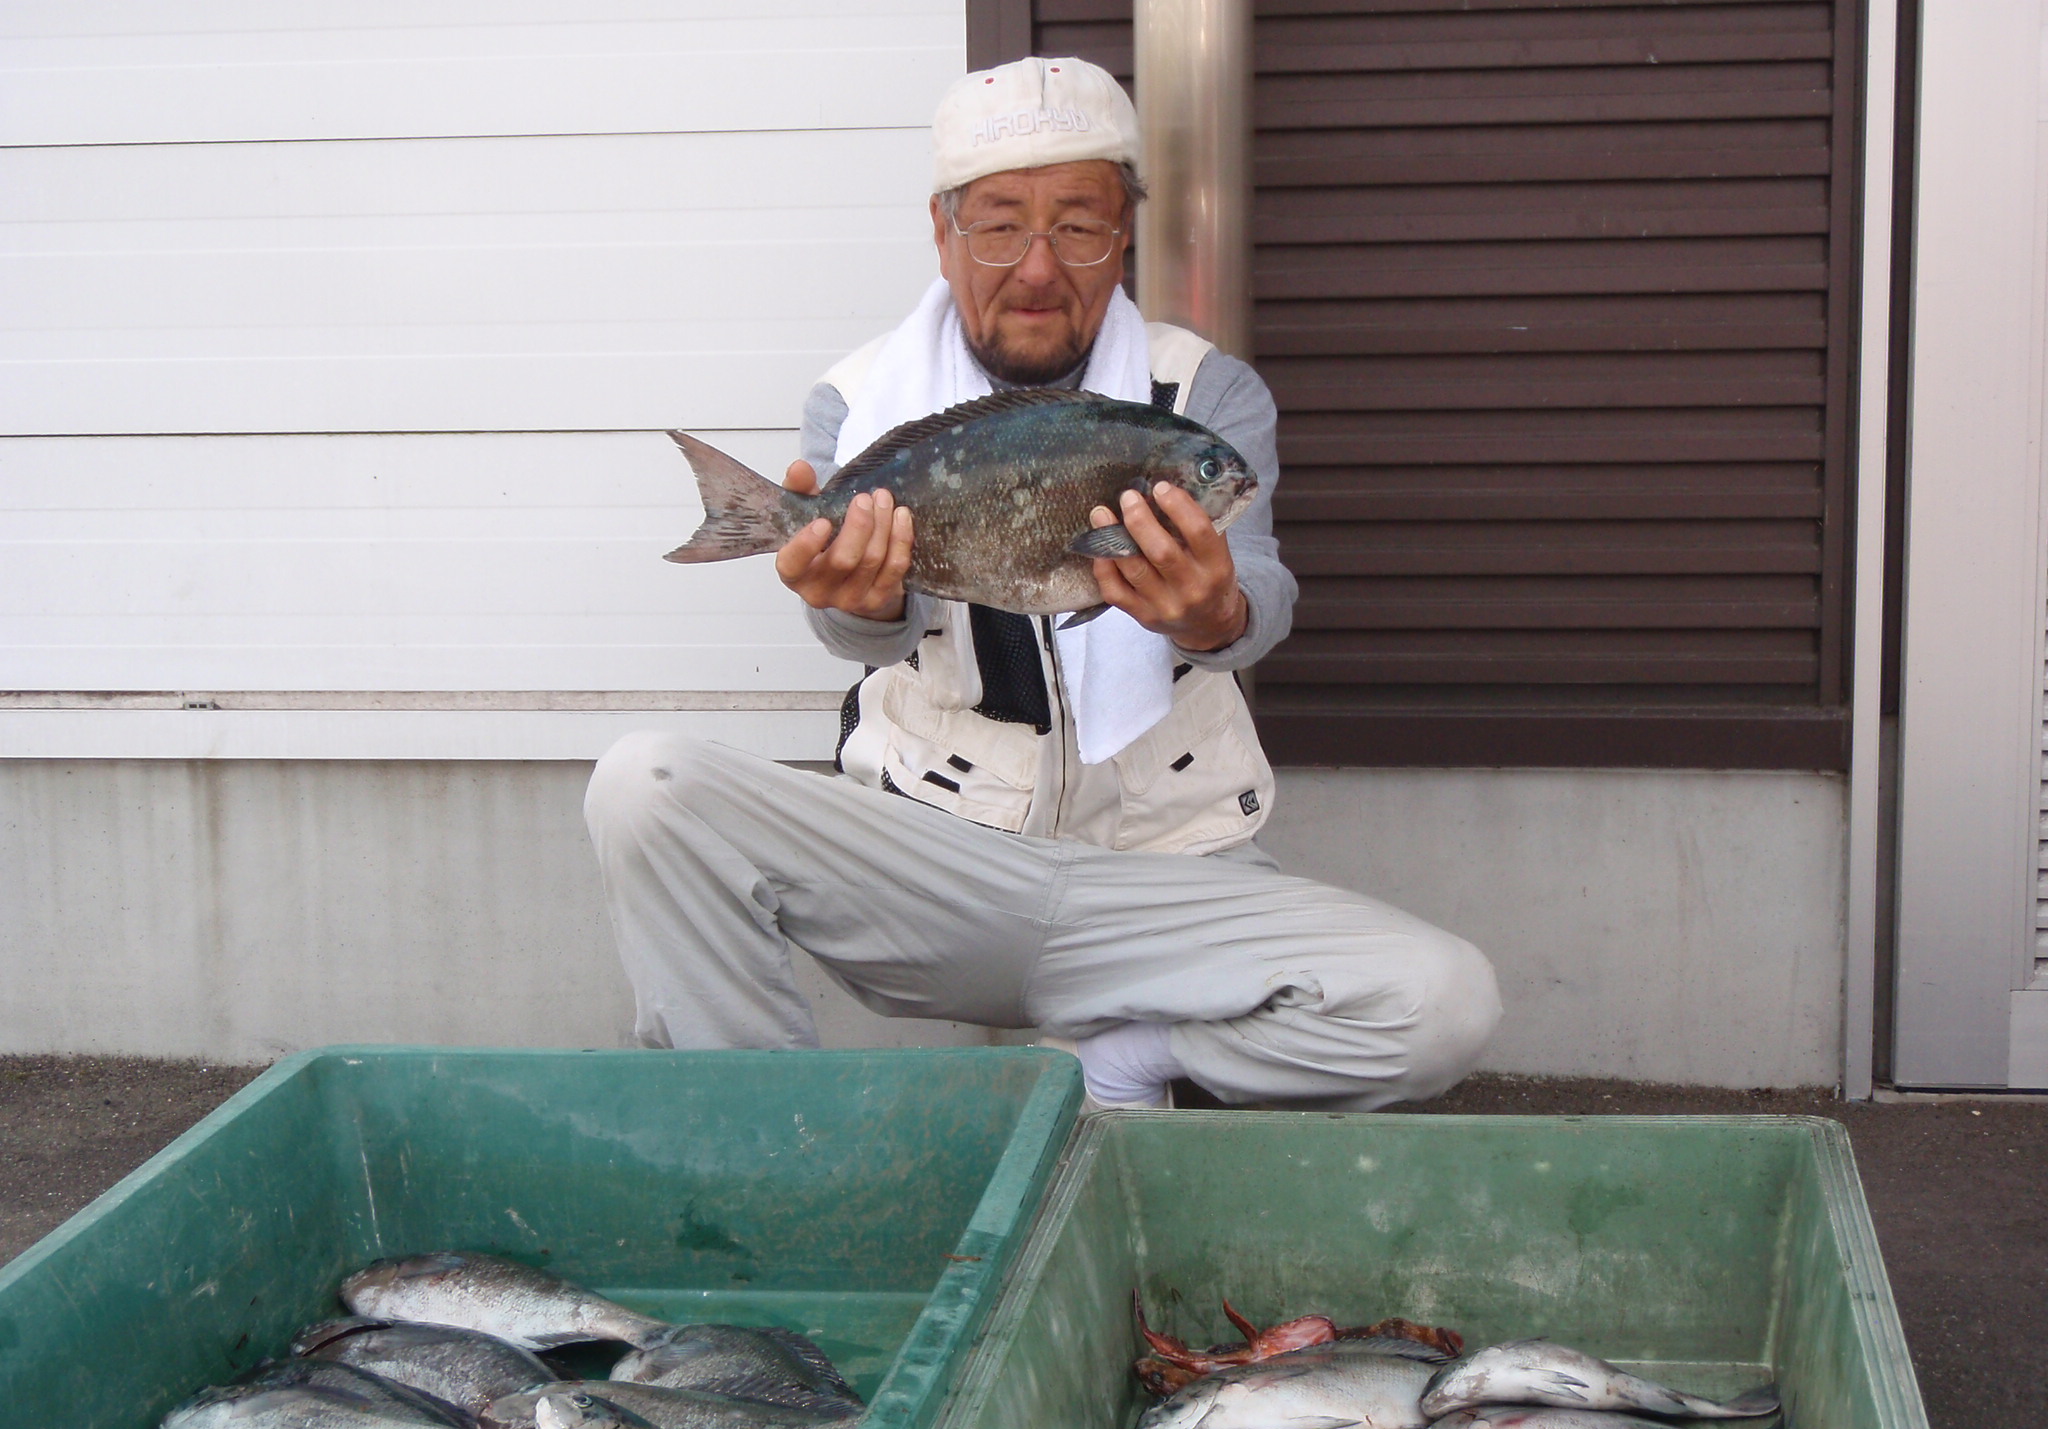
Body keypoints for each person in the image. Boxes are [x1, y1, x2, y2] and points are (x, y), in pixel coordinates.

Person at [584, 57, 1501, 1110]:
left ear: (1122, 240)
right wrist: (858, 600)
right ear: (942, 234)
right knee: (645, 787)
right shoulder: (858, 400)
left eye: (1076, 226)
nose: (1033, 268)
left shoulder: (1201, 394)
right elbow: (864, 639)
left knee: (1440, 1004)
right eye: (995, 225)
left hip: (1166, 871)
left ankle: (1115, 1064)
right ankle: (765, 1151)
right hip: (935, 867)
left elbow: (1259, 594)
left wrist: (1214, 613)